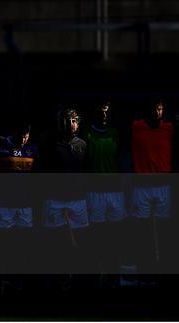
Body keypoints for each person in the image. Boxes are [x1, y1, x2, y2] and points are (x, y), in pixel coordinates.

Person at [40, 107, 88, 279]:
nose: (72, 124)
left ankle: (75, 277)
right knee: (56, 242)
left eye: (75, 120)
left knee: (79, 242)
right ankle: (57, 278)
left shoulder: (82, 145)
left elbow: (87, 172)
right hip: (56, 201)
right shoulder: (50, 145)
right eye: (68, 121)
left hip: (78, 200)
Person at [81, 102, 127, 281]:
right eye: (101, 112)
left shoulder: (116, 133)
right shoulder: (87, 133)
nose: (104, 115)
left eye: (107, 112)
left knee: (114, 235)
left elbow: (120, 160)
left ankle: (113, 277)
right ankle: (95, 277)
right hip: (94, 192)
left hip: (114, 191)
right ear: (95, 113)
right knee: (96, 235)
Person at [130, 99, 174, 276]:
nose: (158, 112)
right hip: (142, 185)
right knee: (143, 229)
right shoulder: (136, 126)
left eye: (161, 109)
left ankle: (162, 270)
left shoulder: (169, 128)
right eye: (155, 109)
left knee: (164, 229)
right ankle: (144, 269)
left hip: (163, 185)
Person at [0, 120, 38, 276]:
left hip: (25, 205)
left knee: (24, 243)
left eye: (26, 137)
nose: (23, 140)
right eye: (20, 136)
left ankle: (21, 279)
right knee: (2, 243)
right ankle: (2, 278)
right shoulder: (0, 146)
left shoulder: (32, 150)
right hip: (4, 205)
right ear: (14, 133)